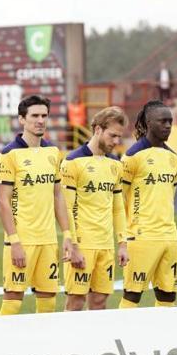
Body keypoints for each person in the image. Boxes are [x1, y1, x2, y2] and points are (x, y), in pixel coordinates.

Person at [0, 94, 74, 315]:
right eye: (35, 116)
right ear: (22, 119)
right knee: (13, 301)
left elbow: (58, 196)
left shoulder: (53, 152)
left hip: (48, 241)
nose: (40, 120)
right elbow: (3, 201)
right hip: (22, 240)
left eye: (44, 116)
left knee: (48, 301)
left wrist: (67, 235)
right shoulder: (9, 154)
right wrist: (14, 242)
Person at [60, 106, 129, 311]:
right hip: (83, 244)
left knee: (100, 303)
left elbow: (118, 208)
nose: (116, 141)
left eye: (119, 137)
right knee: (75, 302)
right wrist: (73, 246)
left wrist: (122, 243)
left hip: (106, 245)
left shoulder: (115, 164)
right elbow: (67, 207)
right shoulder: (73, 162)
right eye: (112, 135)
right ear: (98, 129)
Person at [119, 100, 177, 308]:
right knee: (132, 295)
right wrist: (124, 235)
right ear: (148, 122)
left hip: (170, 236)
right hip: (141, 236)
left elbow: (170, 195)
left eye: (170, 121)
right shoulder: (132, 156)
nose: (168, 126)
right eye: (162, 121)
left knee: (167, 296)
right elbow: (120, 198)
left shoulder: (173, 158)